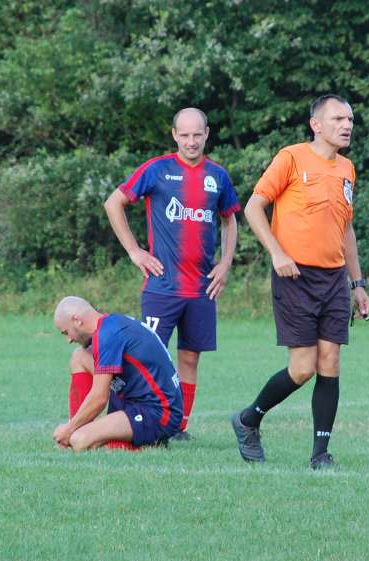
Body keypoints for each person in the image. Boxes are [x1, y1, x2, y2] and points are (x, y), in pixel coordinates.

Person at [230, 94, 369, 469]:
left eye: (350, 120)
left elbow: (346, 228)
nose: (347, 125)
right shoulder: (291, 158)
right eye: (338, 118)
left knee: (330, 361)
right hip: (294, 275)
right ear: (316, 124)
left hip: (334, 279)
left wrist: (357, 283)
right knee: (303, 368)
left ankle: (320, 454)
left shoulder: (347, 168)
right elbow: (253, 206)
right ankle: (249, 419)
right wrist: (277, 253)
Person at [104, 108, 240, 440]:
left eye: (197, 134)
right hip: (162, 287)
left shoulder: (218, 176)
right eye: (185, 135)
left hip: (201, 289)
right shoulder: (157, 170)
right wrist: (135, 251)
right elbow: (113, 203)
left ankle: (179, 426)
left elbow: (229, 219)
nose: (191, 141)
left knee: (190, 359)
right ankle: (119, 421)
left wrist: (225, 264)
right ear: (174, 135)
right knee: (146, 356)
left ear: (207, 133)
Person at [52, 296, 183, 451]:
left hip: (158, 413)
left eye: (66, 332)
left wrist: (69, 429)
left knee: (80, 440)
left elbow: (99, 398)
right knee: (79, 357)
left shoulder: (107, 335)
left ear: (77, 320)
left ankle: (144, 442)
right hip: (137, 402)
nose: (68, 339)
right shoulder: (110, 324)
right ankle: (88, 431)